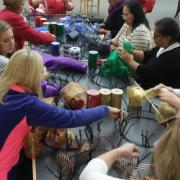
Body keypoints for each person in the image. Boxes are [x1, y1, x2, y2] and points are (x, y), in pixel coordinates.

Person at [0, 49, 121, 180]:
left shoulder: (4, 89)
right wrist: (104, 109)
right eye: (41, 71)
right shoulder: (29, 105)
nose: (45, 73)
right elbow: (72, 118)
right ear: (34, 77)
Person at [120, 17, 180, 89]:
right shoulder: (164, 46)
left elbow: (147, 73)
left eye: (156, 36)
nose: (153, 38)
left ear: (168, 38)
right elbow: (146, 55)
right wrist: (130, 51)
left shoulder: (174, 56)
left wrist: (129, 61)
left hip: (158, 95)